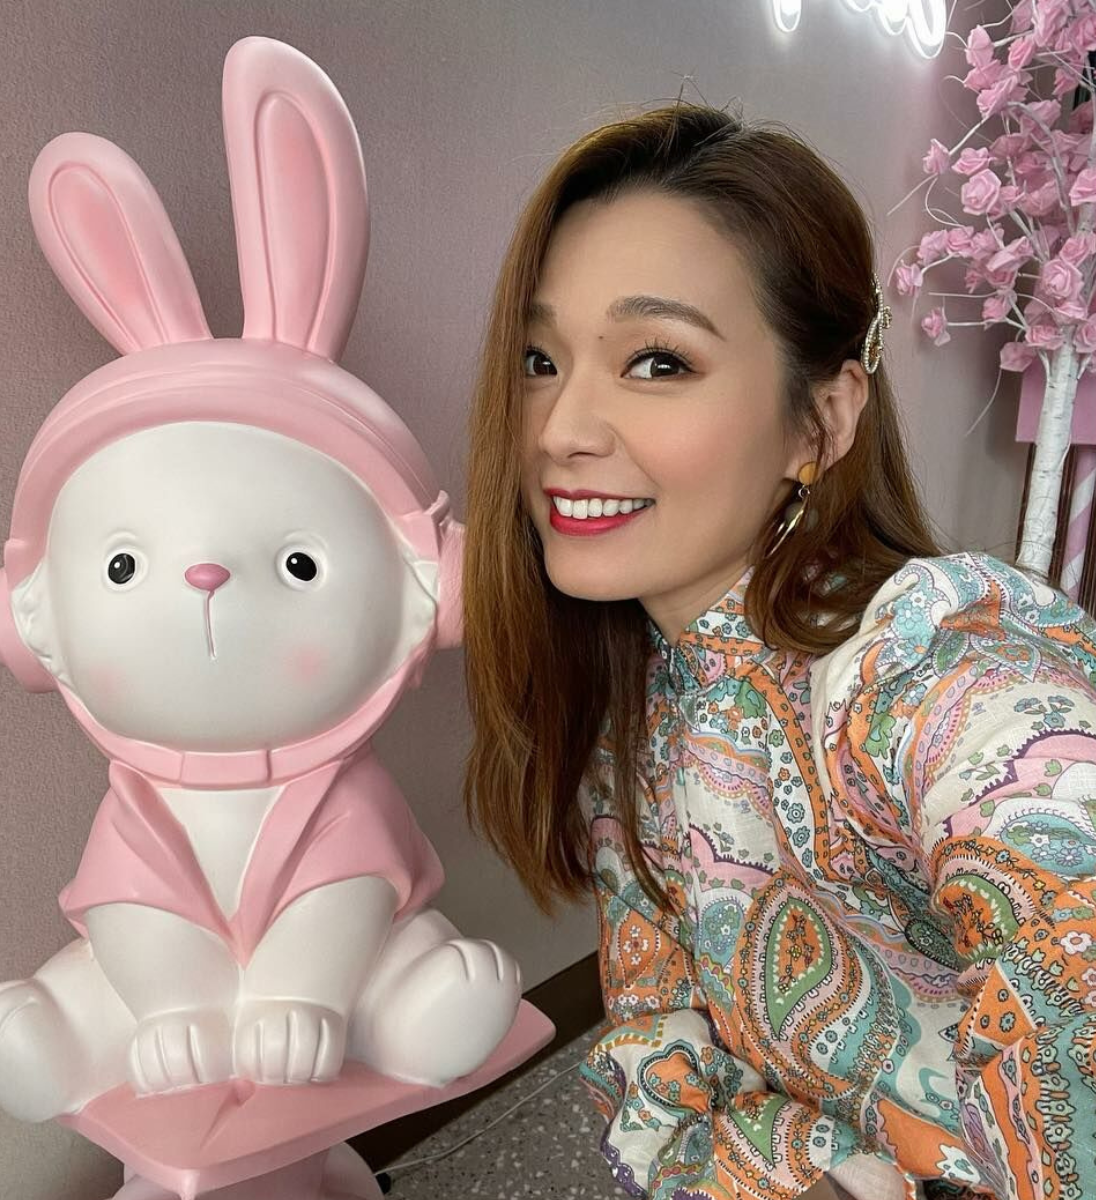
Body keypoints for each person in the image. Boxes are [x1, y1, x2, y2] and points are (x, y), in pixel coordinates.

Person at [460, 102, 1096, 1200]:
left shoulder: (925, 654)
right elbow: (654, 1053)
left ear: (822, 421)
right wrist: (811, 1169)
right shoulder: (632, 710)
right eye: (538, 357)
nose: (560, 428)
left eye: (657, 362)